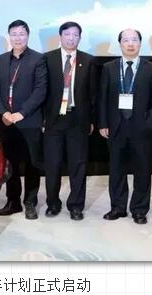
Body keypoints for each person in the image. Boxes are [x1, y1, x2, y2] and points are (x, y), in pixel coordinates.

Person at [98, 29, 152, 225]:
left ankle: (139, 210)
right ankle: (117, 207)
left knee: (142, 170)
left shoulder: (151, 68)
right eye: (126, 40)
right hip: (116, 127)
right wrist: (103, 123)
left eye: (134, 40)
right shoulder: (109, 67)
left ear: (140, 43)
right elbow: (102, 98)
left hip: (142, 128)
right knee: (116, 170)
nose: (130, 43)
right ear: (120, 44)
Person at [0, 19, 47, 220]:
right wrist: (3, 112)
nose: (17, 38)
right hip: (6, 122)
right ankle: (13, 201)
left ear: (28, 36)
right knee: (10, 164)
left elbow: (40, 90)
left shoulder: (38, 59)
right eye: (14, 34)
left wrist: (21, 113)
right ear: (9, 36)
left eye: (21, 34)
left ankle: (30, 201)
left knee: (32, 163)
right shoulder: (0, 60)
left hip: (29, 120)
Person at [43, 21, 96, 220]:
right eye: (67, 34)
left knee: (78, 165)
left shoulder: (88, 60)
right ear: (60, 37)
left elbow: (93, 94)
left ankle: (76, 205)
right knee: (53, 164)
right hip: (53, 120)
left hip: (78, 119)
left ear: (79, 38)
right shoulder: (47, 59)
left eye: (75, 35)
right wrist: (43, 119)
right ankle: (53, 203)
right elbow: (42, 92)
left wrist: (91, 119)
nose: (71, 38)